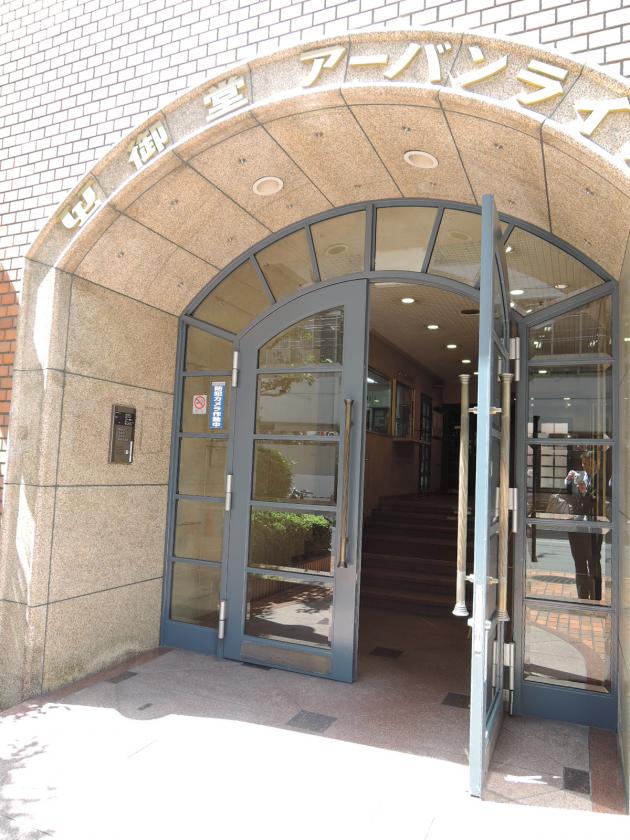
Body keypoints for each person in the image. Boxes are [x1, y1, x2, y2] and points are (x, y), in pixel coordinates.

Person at [564, 451, 606, 601]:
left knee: (593, 563)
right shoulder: (580, 477)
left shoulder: (601, 480)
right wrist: (568, 481)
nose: (585, 466)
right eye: (583, 463)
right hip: (577, 528)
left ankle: (595, 598)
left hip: (593, 528)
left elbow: (599, 502)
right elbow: (568, 497)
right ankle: (583, 598)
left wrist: (585, 492)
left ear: (597, 463)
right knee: (579, 563)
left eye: (589, 463)